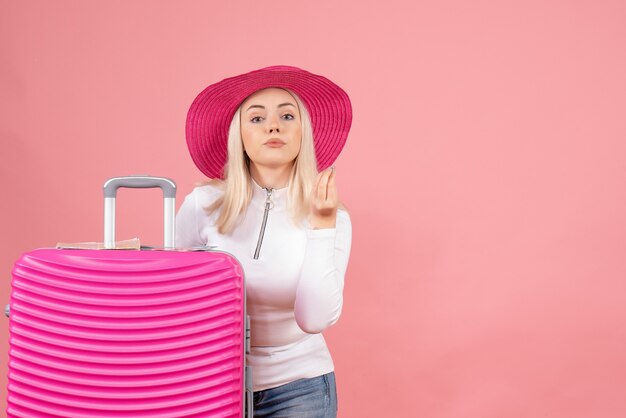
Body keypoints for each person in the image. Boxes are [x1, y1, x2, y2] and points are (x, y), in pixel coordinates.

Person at [176, 65, 352, 417]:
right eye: (256, 118)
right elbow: (177, 298)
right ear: (238, 134)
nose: (274, 126)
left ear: (304, 132)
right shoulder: (203, 204)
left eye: (287, 115)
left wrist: (322, 224)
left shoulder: (334, 217)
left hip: (300, 388)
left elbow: (314, 319)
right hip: (211, 381)